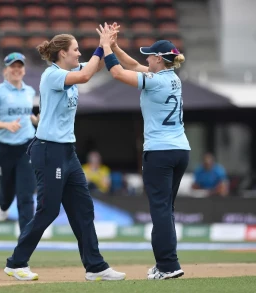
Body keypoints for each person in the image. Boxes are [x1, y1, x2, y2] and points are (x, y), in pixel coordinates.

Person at [4, 33, 126, 281]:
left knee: (83, 209)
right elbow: (85, 75)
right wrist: (101, 47)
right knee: (48, 211)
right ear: (62, 54)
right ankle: (16, 263)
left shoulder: (69, 71)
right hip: (49, 150)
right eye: (76, 50)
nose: (79, 53)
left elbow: (95, 66)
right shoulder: (53, 75)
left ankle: (95, 267)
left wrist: (108, 46)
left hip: (67, 152)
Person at [98, 23, 190, 280]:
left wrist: (105, 47)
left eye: (150, 55)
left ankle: (168, 265)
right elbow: (134, 66)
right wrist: (115, 46)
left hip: (160, 151)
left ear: (159, 60)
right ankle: (165, 264)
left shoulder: (155, 81)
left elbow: (118, 72)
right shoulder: (171, 78)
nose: (146, 58)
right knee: (165, 209)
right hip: (180, 149)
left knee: (160, 210)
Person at [0, 52, 38, 234]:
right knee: (6, 193)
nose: (17, 69)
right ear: (5, 70)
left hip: (27, 146)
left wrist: (34, 120)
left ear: (24, 70)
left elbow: (25, 114)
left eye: (20, 66)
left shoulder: (29, 91)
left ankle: (26, 241)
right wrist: (6, 125)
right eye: (13, 66)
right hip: (4, 148)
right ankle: (3, 206)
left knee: (26, 195)